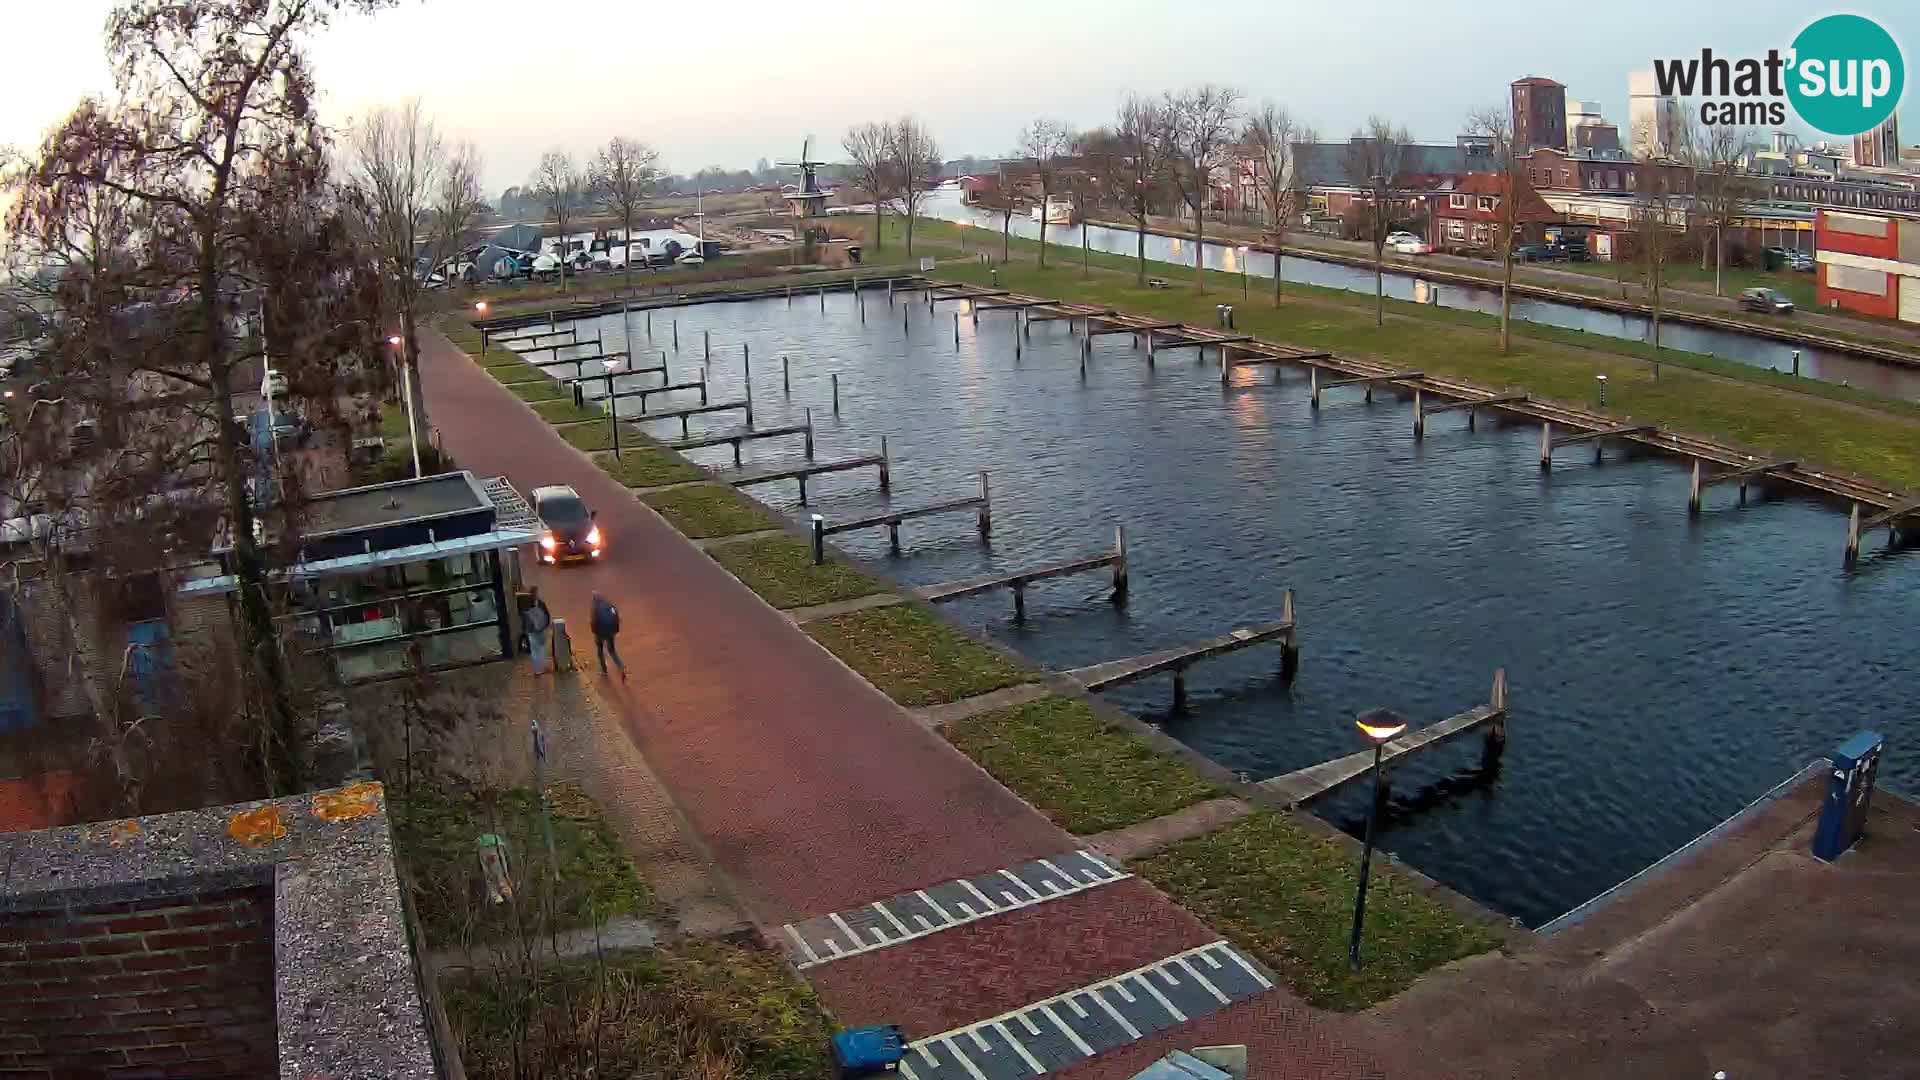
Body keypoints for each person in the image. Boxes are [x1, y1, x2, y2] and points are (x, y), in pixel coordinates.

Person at [589, 591, 626, 680]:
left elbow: (594, 622)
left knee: (600, 651)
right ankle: (621, 666)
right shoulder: (609, 605)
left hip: (600, 634)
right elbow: (617, 617)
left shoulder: (595, 608)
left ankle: (604, 670)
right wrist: (615, 630)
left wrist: (594, 632)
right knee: (612, 651)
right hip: (611, 632)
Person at [523, 586, 553, 675]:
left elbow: (524, 617)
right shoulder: (540, 603)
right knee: (541, 648)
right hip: (539, 629)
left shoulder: (525, 603)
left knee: (535, 649)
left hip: (532, 630)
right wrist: (546, 625)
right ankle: (542, 667)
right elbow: (547, 615)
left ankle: (538, 669)